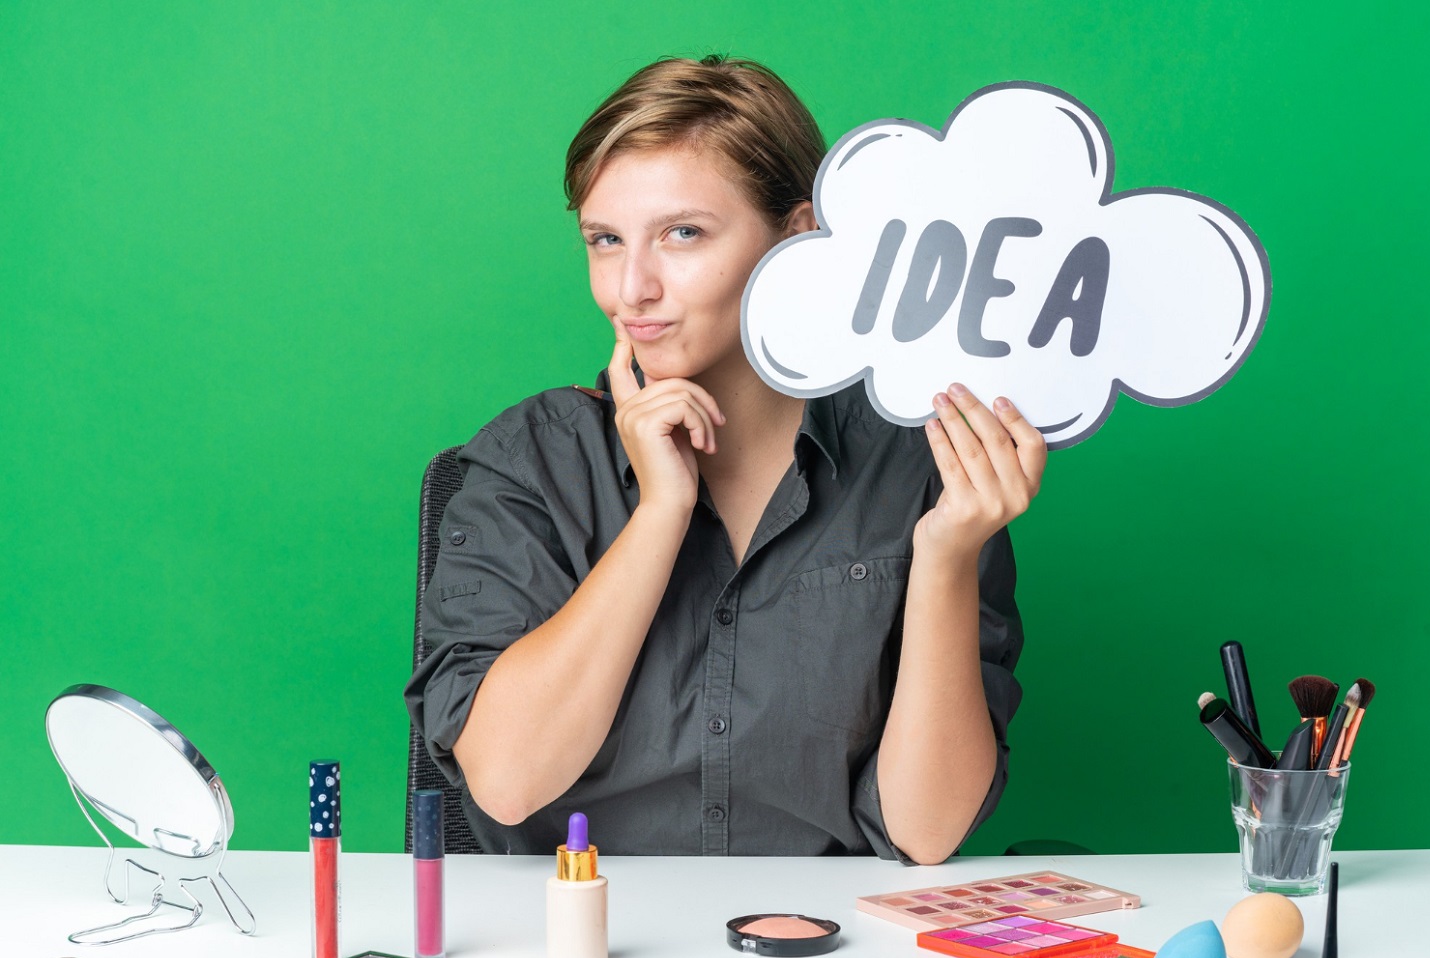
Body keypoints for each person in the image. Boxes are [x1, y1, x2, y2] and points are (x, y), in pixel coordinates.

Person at [403, 55, 1046, 865]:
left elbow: (925, 830)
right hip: (578, 934)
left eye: (682, 233)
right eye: (605, 240)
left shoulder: (920, 462)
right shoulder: (527, 464)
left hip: (819, 941)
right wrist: (659, 514)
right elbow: (505, 780)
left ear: (799, 237)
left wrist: (948, 552)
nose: (630, 288)